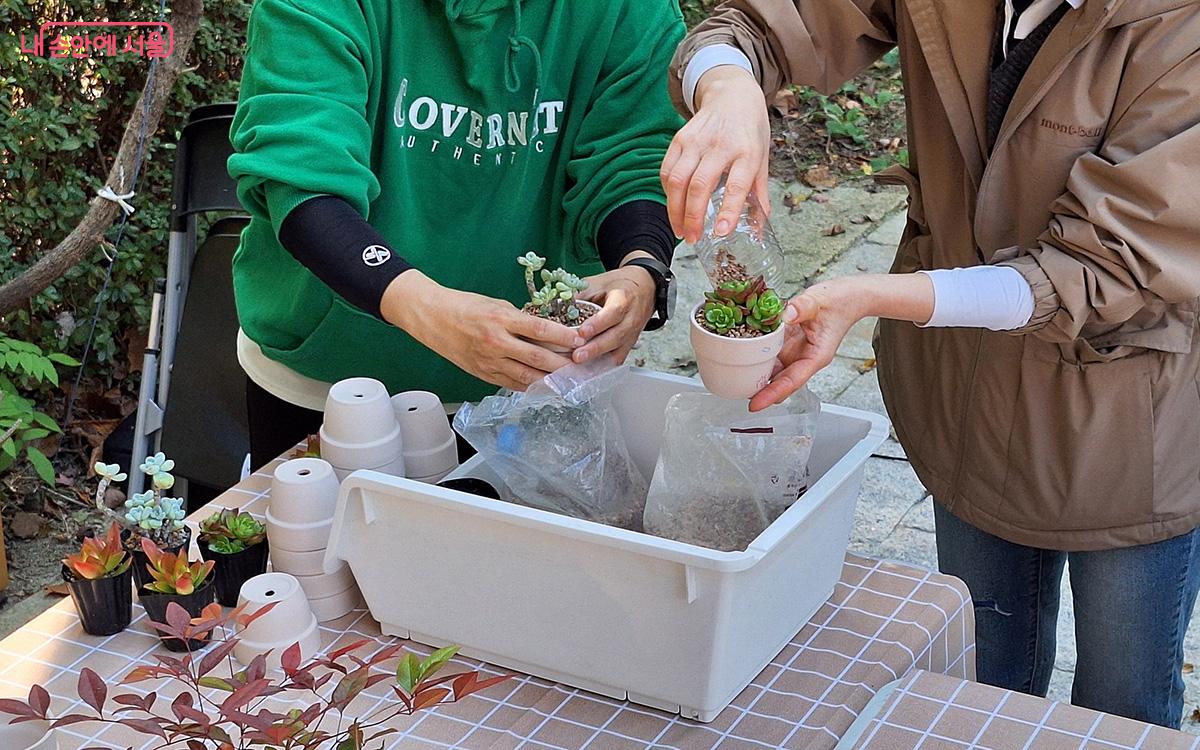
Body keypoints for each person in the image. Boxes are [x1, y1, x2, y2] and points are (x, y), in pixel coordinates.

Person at [664, 0, 1200, 729]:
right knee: (975, 691)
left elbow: (1102, 266)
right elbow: (767, 21)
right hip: (963, 405)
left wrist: (880, 296)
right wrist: (728, 88)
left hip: (1125, 435)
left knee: (1121, 713)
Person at [228, 0, 684, 469]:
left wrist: (641, 266)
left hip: (535, 393)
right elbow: (302, 181)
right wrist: (431, 311)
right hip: (330, 383)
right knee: (313, 542)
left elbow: (637, 158)